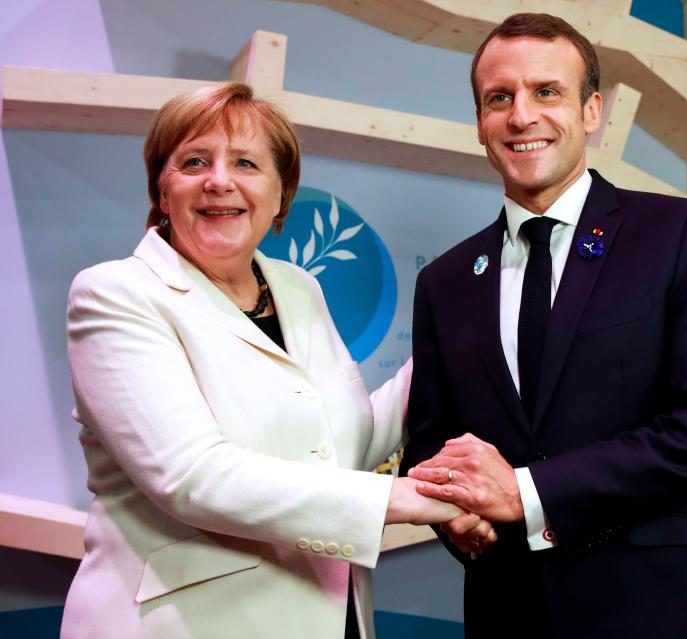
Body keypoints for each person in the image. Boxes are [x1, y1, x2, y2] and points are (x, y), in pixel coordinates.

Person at [60, 83, 483, 639]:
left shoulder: (296, 286)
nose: (219, 180)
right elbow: (193, 477)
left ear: (281, 194)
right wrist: (413, 499)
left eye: (245, 163)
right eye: (193, 162)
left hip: (332, 615)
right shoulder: (114, 294)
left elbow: (342, 441)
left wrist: (453, 346)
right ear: (163, 193)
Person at [401, 13, 687, 639]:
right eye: (498, 98)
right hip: (510, 611)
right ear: (480, 123)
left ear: (592, 111)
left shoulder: (679, 233)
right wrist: (456, 516)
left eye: (547, 92)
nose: (521, 116)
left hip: (664, 612)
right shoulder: (446, 281)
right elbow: (431, 448)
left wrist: (527, 491)